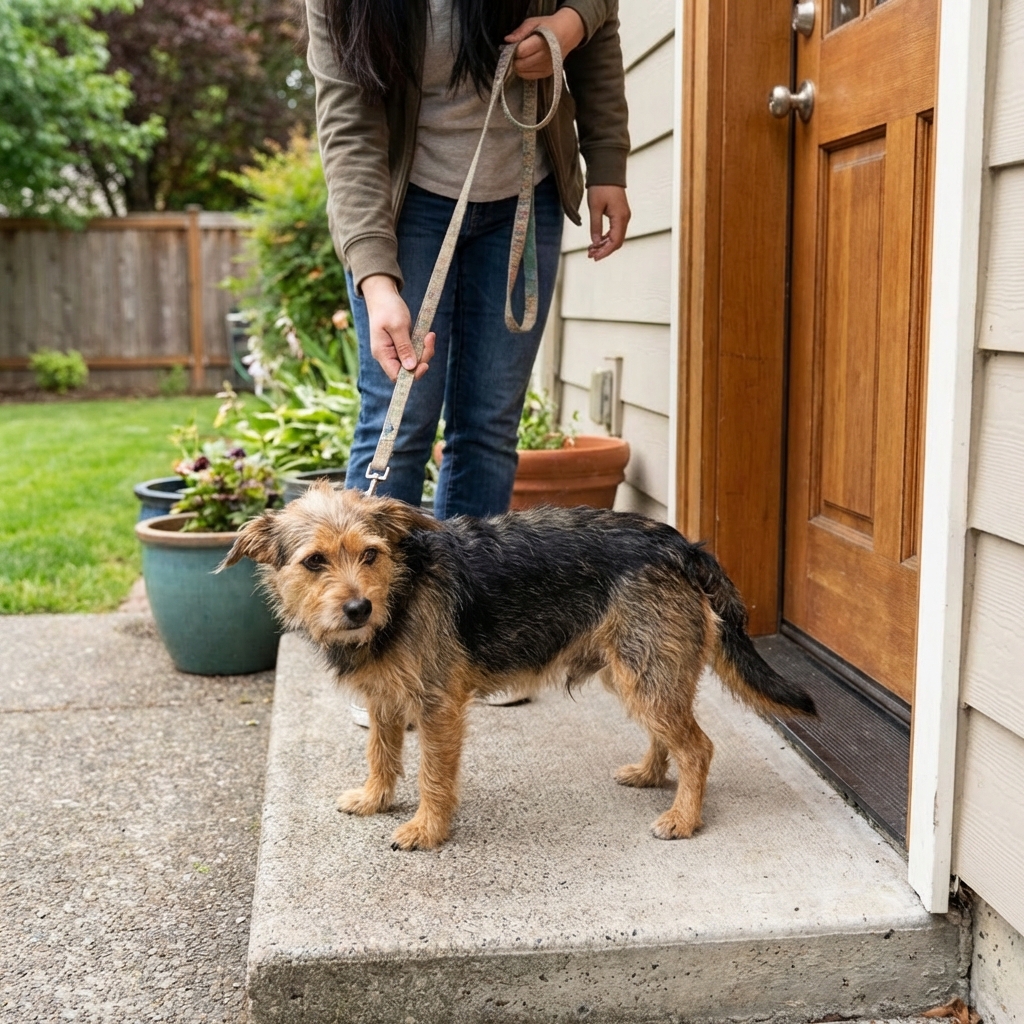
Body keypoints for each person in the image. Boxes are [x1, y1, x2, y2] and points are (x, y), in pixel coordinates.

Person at [305, 0, 631, 519]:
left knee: (489, 430)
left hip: (524, 197)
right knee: (398, 422)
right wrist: (377, 282)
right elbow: (349, 130)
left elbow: (597, 12)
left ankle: (471, 601)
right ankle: (372, 600)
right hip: (407, 206)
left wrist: (571, 28)